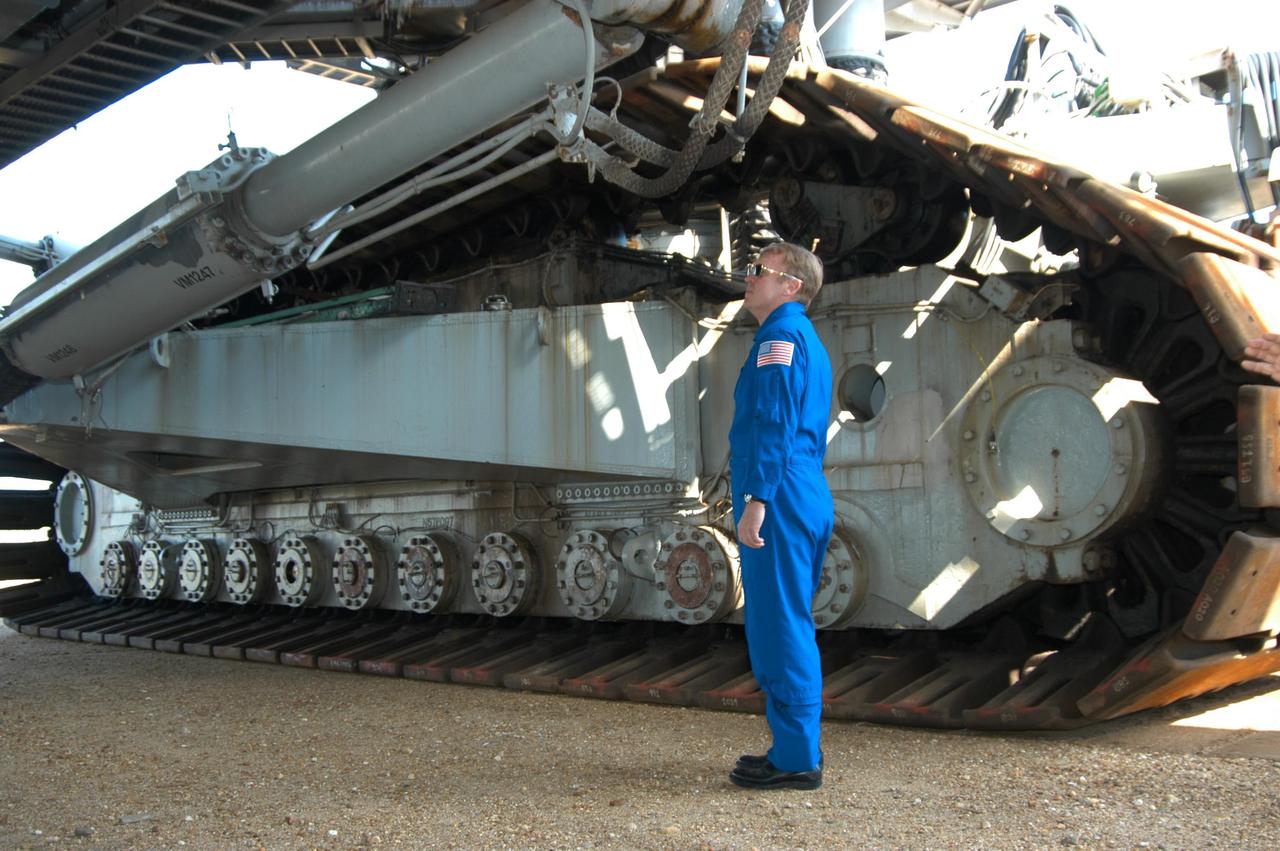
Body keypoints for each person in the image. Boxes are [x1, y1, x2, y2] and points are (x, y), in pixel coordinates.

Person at [727, 242, 834, 791]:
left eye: (759, 270)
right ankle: (795, 748)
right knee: (786, 619)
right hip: (801, 488)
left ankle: (796, 759)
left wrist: (757, 501)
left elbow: (773, 424)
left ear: (791, 286)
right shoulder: (802, 339)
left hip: (780, 493)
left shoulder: (779, 338)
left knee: (780, 623)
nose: (749, 277)